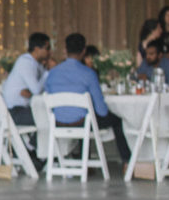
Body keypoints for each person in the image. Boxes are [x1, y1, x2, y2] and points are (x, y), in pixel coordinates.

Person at [45, 33, 131, 167]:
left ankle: (83, 161)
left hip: (58, 122)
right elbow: (102, 111)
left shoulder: (52, 73)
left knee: (85, 115)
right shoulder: (88, 73)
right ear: (84, 51)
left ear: (66, 50)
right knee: (114, 120)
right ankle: (127, 162)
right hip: (82, 122)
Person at [2, 32, 52, 160]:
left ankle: (35, 149)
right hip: (14, 113)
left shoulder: (34, 63)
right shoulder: (26, 63)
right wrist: (48, 72)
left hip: (20, 110)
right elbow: (37, 90)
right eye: (47, 48)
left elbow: (37, 90)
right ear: (37, 49)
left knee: (48, 115)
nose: (49, 52)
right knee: (49, 117)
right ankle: (31, 148)